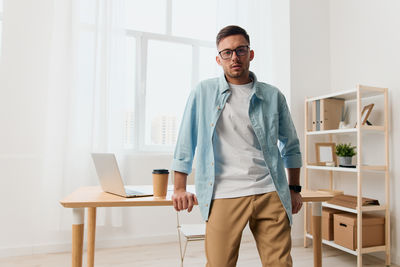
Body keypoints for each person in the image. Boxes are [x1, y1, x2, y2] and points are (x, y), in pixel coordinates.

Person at [171, 25, 302, 267]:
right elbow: (185, 141)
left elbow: (291, 145)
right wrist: (179, 187)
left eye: (240, 50)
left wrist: (294, 188)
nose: (235, 58)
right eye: (227, 53)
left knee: (280, 264)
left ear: (250, 54)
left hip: (269, 191)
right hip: (224, 193)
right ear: (218, 59)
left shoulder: (273, 96)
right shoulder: (204, 92)